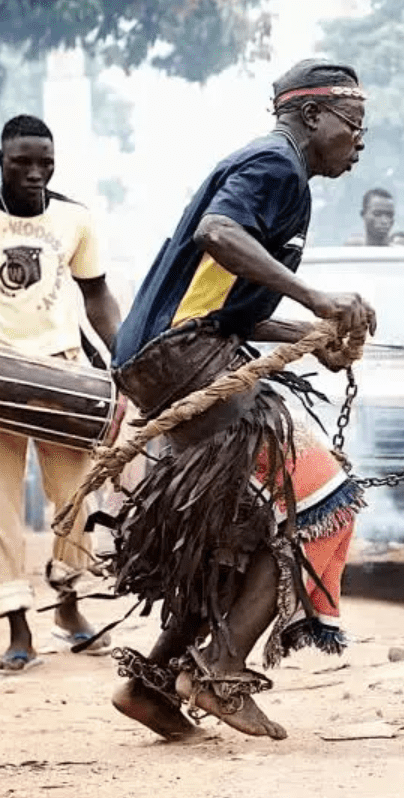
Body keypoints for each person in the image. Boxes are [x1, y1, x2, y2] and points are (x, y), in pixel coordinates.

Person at [108, 59, 376, 740]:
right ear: (312, 115)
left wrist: (310, 333)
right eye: (355, 122)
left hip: (178, 354)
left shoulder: (281, 175)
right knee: (324, 499)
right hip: (183, 358)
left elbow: (228, 307)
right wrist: (316, 297)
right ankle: (220, 669)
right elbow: (217, 236)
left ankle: (153, 684)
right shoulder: (274, 166)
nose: (360, 140)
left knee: (236, 529)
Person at [0, 114, 121, 672]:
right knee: (1, 515)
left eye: (43, 162)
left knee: (74, 502)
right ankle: (18, 629)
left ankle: (68, 610)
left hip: (60, 376)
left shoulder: (74, 218)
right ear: (2, 160)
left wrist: (125, 356)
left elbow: (97, 297)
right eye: (21, 161)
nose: (34, 172)